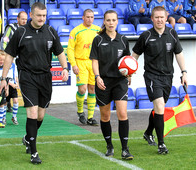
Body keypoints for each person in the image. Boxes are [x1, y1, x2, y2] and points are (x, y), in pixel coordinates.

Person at [0, 2, 69, 164]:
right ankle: (34, 152)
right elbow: (9, 56)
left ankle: (27, 138)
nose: (42, 18)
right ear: (31, 15)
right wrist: (4, 78)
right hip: (27, 76)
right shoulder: (21, 32)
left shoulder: (51, 31)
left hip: (45, 77)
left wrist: (65, 68)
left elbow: (60, 52)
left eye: (44, 16)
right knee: (31, 113)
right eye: (39, 15)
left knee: (40, 115)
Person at [132, 6, 188, 154]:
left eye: (162, 17)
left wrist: (184, 72)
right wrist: (129, 72)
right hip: (152, 76)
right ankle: (161, 144)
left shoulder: (172, 33)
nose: (159, 20)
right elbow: (134, 56)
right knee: (159, 105)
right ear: (152, 19)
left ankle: (148, 132)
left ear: (166, 18)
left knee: (159, 108)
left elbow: (179, 54)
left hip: (168, 76)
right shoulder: (146, 36)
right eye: (156, 17)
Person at [90, 10, 134, 160]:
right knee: (105, 116)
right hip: (103, 82)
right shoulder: (98, 40)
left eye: (113, 20)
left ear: (117, 21)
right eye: (108, 20)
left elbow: (127, 60)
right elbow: (94, 61)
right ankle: (109, 145)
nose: (110, 23)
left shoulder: (123, 39)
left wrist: (129, 74)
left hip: (119, 81)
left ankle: (125, 149)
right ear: (104, 21)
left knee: (122, 114)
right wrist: (97, 77)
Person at [67, 9, 100, 126]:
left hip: (93, 63)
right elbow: (70, 49)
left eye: (92, 17)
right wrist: (73, 64)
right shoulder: (76, 31)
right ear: (83, 17)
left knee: (92, 89)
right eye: (87, 17)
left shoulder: (98, 30)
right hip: (81, 62)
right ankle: (80, 111)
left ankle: (90, 117)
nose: (90, 19)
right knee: (82, 89)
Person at [0, 11, 28, 112]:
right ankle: (5, 103)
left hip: (22, 59)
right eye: (22, 19)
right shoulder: (11, 28)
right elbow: (4, 41)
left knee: (18, 81)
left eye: (26, 19)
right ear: (17, 19)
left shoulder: (27, 29)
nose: (24, 21)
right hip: (11, 59)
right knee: (8, 80)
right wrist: (4, 57)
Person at [0, 50, 7, 128]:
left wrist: (7, 88)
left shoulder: (5, 69)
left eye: (3, 60)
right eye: (0, 60)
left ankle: (0, 121)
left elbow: (7, 79)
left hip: (2, 89)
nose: (2, 62)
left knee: (2, 104)